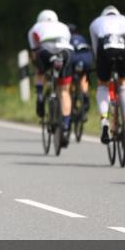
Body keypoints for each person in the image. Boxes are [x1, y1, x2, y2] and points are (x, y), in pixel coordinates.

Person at [89, 5, 125, 143]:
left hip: (106, 44)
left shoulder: (96, 22)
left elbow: (96, 49)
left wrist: (100, 65)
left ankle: (104, 119)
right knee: (124, 80)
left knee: (103, 83)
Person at [28, 9, 74, 147]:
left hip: (46, 49)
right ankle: (65, 126)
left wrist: (40, 67)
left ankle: (40, 94)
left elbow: (34, 52)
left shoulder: (35, 28)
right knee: (64, 91)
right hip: (65, 51)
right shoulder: (64, 26)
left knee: (39, 70)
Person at [67, 23, 93, 114]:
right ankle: (85, 95)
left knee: (69, 77)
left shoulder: (67, 38)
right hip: (87, 59)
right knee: (83, 76)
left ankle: (71, 98)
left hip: (74, 59)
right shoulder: (82, 38)